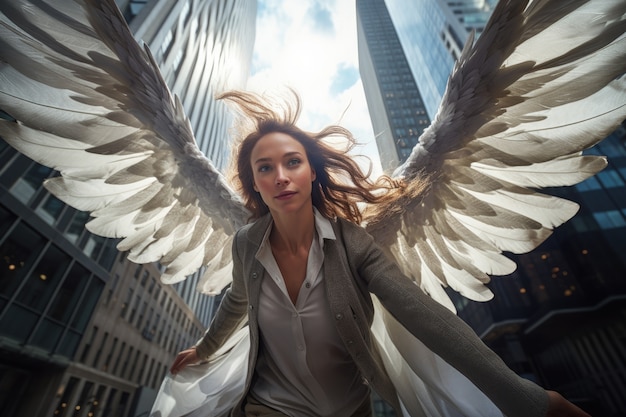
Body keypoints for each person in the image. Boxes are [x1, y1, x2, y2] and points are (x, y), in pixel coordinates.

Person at [169, 90, 591, 417]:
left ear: (311, 171)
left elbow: (422, 315)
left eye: (292, 161)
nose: (280, 176)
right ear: (254, 183)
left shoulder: (353, 243)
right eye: (265, 167)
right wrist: (205, 350)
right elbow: (237, 301)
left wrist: (528, 401)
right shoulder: (246, 243)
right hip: (266, 407)